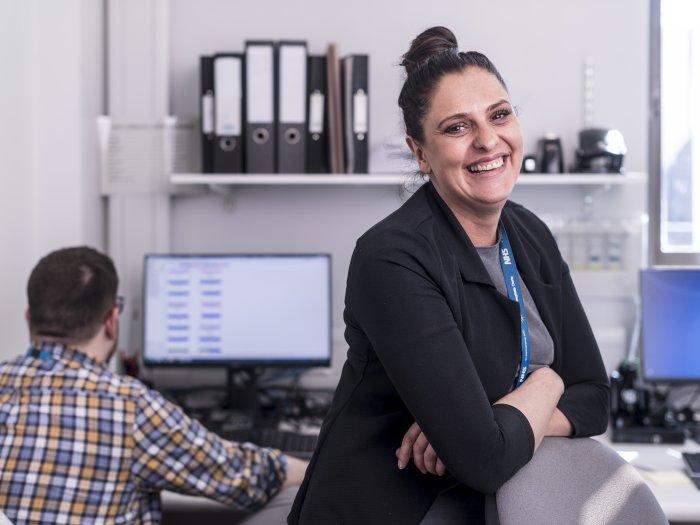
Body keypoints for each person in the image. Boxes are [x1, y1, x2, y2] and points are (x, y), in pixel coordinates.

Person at [288, 26, 609, 524]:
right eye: (457, 127)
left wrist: (496, 427)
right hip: (383, 510)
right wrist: (546, 383)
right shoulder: (392, 258)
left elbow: (595, 397)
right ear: (421, 153)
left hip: (477, 504)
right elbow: (485, 457)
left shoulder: (530, 234)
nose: (488, 140)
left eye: (499, 115)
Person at [0, 246, 308, 524]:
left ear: (29, 319)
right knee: (295, 501)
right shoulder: (129, 407)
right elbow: (243, 476)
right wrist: (315, 466)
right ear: (111, 320)